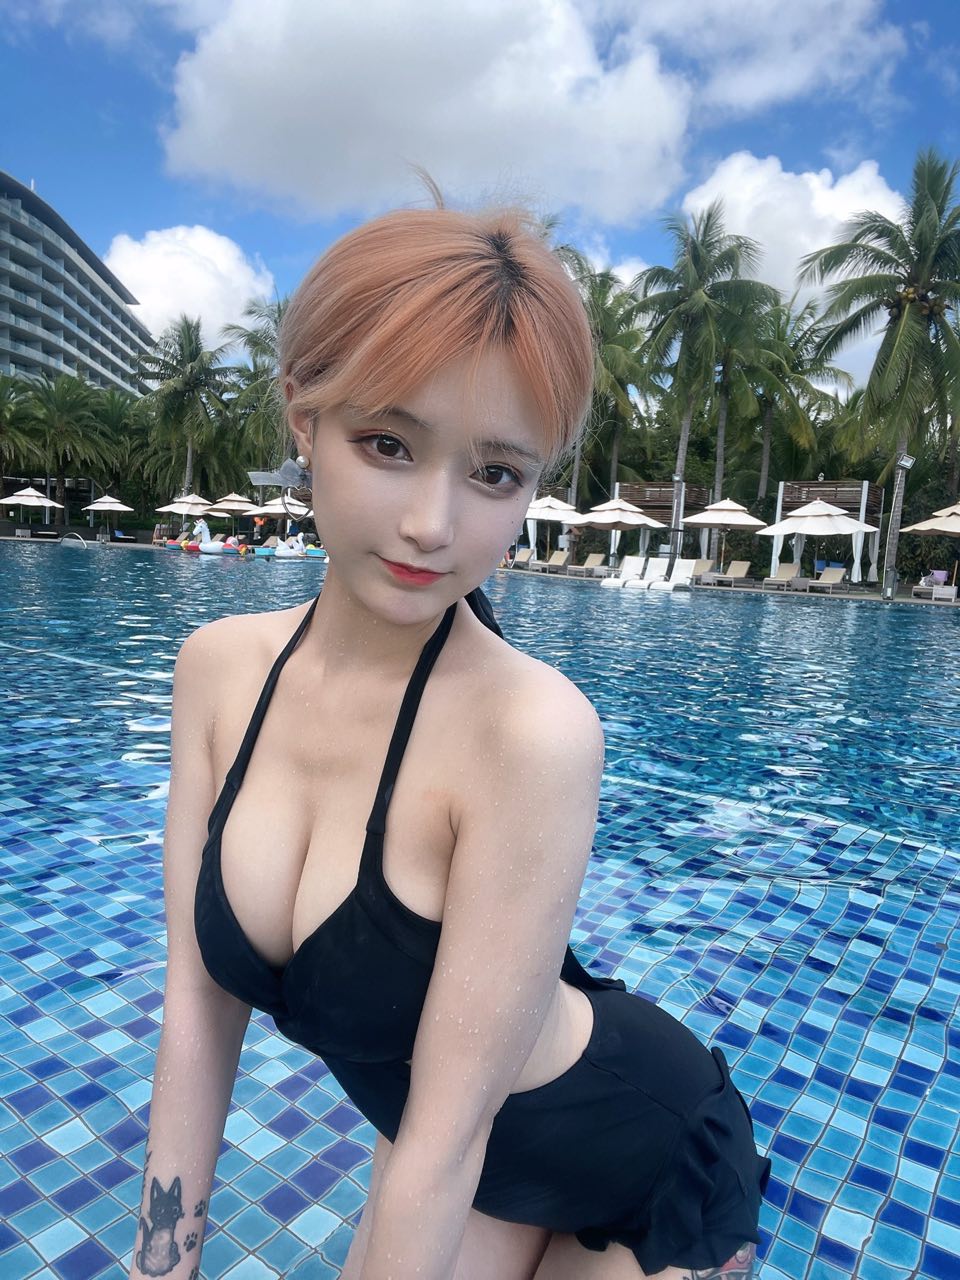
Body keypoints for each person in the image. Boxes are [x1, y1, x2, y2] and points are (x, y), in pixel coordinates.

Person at [131, 206, 770, 1280]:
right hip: (448, 1149)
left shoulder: (530, 732)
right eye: (388, 444)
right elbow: (197, 1012)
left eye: (495, 474)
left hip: (633, 1158)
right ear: (303, 417)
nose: (433, 523)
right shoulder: (218, 671)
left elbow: (447, 1137)